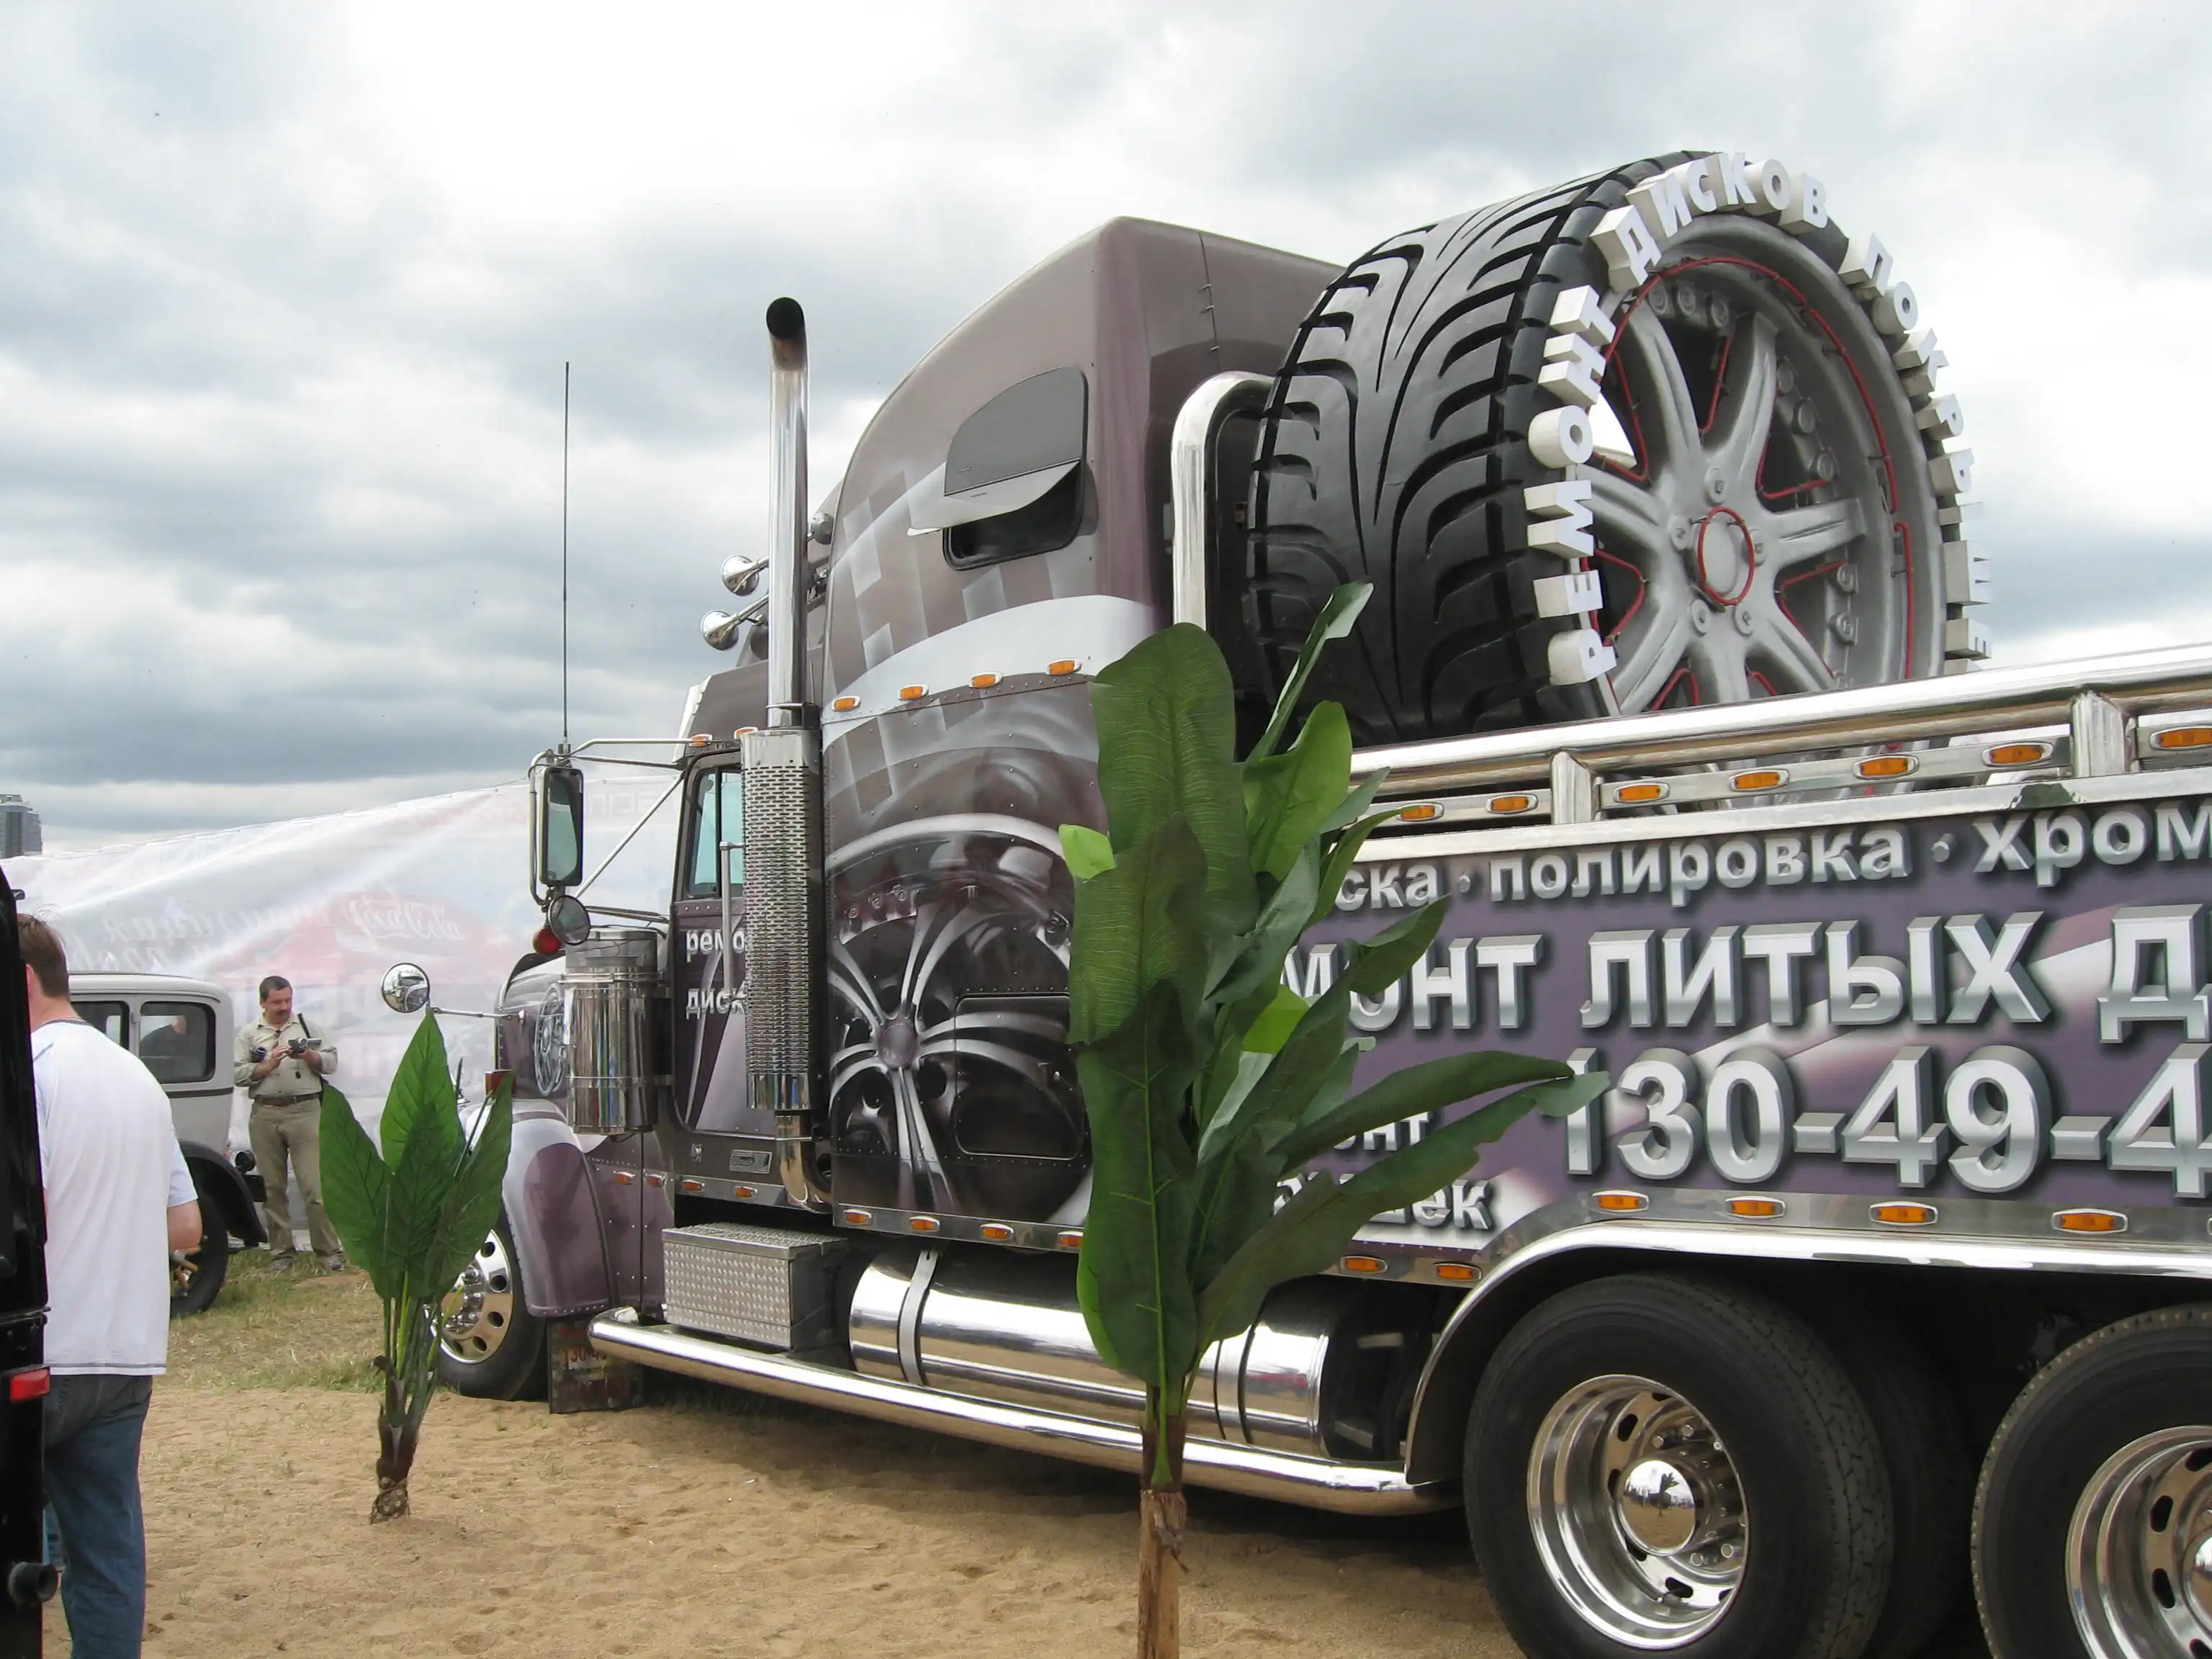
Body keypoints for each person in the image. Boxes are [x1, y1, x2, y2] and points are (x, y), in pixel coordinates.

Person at [21, 915, 200, 1659]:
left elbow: (24, 1215)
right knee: (107, 1556)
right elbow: (186, 1225)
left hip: (40, 1349)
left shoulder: (29, 1074)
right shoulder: (138, 1078)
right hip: (124, 1352)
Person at [233, 976, 343, 1270]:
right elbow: (236, 1074)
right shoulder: (250, 1033)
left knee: (314, 1187)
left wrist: (308, 1054)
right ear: (263, 1002)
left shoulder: (307, 1027)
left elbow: (332, 1063)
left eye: (288, 1001)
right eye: (277, 1002)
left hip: (305, 1110)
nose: (284, 1007)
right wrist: (267, 1066)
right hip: (266, 1113)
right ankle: (282, 1253)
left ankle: (329, 1251)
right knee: (272, 1188)